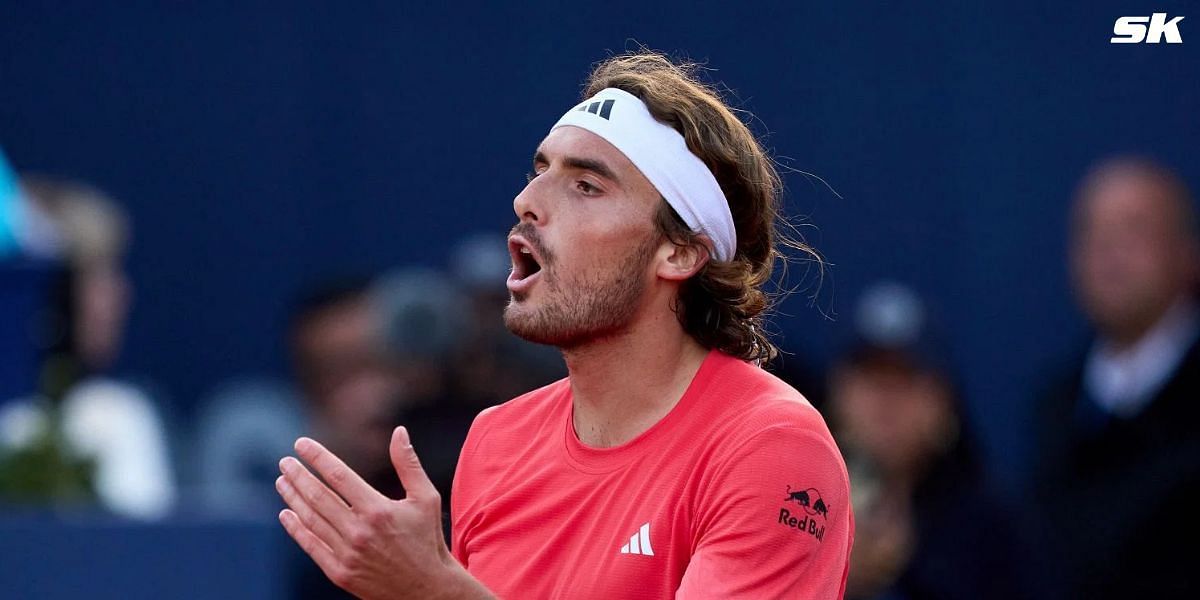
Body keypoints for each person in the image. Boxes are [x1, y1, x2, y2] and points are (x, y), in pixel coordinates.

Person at [276, 51, 854, 599]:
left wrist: (436, 591)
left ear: (678, 254)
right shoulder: (495, 441)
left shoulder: (772, 448)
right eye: (539, 170)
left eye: (585, 185)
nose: (527, 200)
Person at [1032, 157, 1200, 599]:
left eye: (1134, 229)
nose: (1109, 249)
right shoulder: (1054, 407)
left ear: (1187, 254)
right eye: (1092, 231)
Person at [832, 283, 1027, 600]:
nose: (886, 402)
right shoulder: (798, 501)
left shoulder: (990, 527)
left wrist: (909, 571)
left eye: (905, 380)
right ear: (838, 392)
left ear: (943, 400)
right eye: (871, 379)